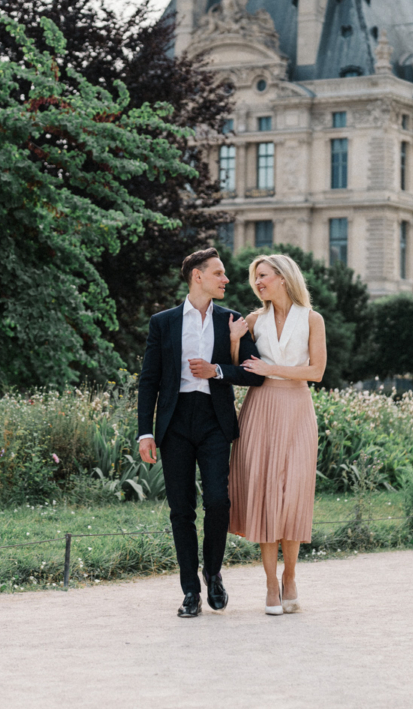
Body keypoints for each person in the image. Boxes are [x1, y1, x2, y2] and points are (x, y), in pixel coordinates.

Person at [137, 247, 264, 618]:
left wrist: (217, 371)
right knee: (181, 510)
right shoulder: (163, 322)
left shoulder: (233, 320)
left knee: (218, 501)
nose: (226, 279)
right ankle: (190, 591)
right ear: (198, 276)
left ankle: (213, 572)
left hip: (214, 420)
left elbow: (254, 372)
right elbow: (149, 381)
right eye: (219, 273)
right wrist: (146, 432)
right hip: (175, 423)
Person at [226, 253, 327, 615]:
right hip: (261, 407)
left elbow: (316, 372)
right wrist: (237, 341)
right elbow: (244, 370)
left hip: (298, 409)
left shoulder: (312, 319)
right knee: (268, 494)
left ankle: (291, 577)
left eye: (264, 276)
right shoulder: (254, 319)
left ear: (283, 278)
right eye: (256, 277)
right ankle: (270, 583)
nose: (258, 283)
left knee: (293, 496)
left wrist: (274, 367)